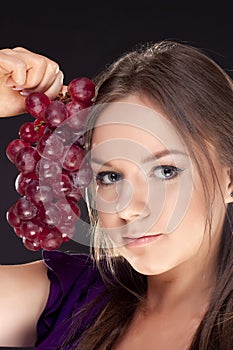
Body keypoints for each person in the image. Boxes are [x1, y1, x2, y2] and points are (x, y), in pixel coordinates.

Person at [0, 40, 232, 350]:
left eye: (165, 171)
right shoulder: (71, 297)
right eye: (110, 176)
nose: (130, 208)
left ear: (229, 176)